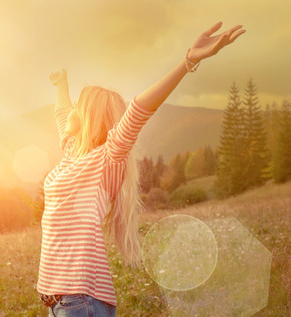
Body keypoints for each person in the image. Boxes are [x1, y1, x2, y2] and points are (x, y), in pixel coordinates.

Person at [37, 22, 246, 317]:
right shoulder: (72, 151)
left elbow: (137, 109)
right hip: (59, 301)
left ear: (89, 117)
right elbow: (61, 112)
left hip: (80, 301)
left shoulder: (106, 159)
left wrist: (188, 61)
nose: (69, 110)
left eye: (77, 106)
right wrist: (62, 85)